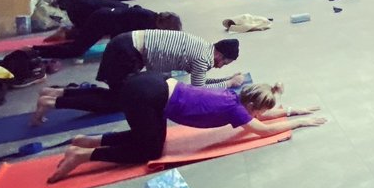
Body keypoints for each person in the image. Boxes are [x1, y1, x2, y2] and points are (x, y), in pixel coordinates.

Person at [41, 73, 326, 183]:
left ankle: (86, 140)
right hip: (148, 96)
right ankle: (82, 155)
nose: (263, 115)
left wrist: (293, 109)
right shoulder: (235, 110)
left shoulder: (235, 98)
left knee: (149, 137)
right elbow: (262, 130)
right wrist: (299, 122)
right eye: (262, 111)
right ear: (253, 107)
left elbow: (262, 117)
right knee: (148, 150)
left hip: (151, 86)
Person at [32, 31, 244, 123]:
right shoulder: (202, 58)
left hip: (125, 46)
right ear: (219, 54)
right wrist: (229, 83)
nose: (220, 66)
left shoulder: (203, 48)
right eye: (224, 63)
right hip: (126, 52)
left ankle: (57, 92)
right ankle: (53, 101)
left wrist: (226, 79)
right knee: (119, 101)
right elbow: (199, 90)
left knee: (118, 96)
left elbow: (199, 81)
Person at [33, 8, 182, 59]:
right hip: (101, 20)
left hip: (104, 17)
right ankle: (36, 51)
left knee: (79, 43)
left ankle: (67, 34)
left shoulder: (151, 18)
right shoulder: (146, 21)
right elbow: (122, 36)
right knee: (76, 50)